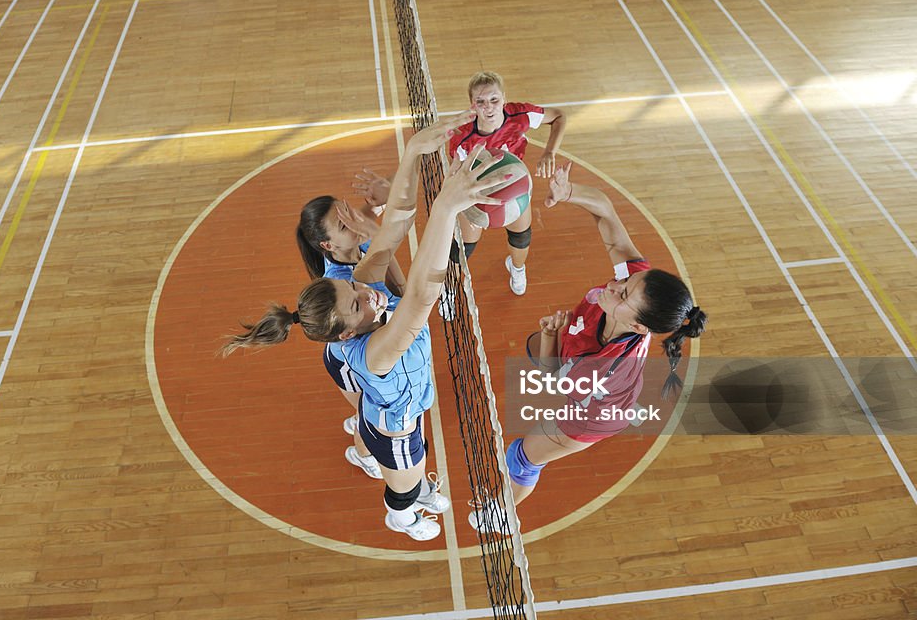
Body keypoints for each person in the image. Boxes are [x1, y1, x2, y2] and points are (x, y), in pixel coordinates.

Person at [223, 113, 511, 540]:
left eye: (356, 287)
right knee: (406, 479)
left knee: (406, 456)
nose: (368, 292)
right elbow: (418, 298)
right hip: (395, 426)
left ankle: (408, 484)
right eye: (357, 302)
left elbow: (393, 229)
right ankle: (402, 514)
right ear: (347, 332)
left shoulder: (359, 286)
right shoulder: (375, 351)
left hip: (394, 409)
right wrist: (447, 209)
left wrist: (413, 152)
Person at [469, 163, 707, 534]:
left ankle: (499, 518)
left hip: (590, 418)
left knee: (521, 458)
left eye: (624, 293)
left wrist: (550, 335)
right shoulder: (633, 292)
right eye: (628, 280)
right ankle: (626, 403)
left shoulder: (601, 364)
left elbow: (548, 376)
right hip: (594, 382)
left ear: (638, 326)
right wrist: (569, 193)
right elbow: (607, 214)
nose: (615, 284)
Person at [295, 182, 404, 480]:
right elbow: (401, 298)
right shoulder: (348, 280)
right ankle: (362, 454)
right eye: (342, 224)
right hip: (346, 361)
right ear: (328, 246)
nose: (352, 220)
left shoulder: (355, 238)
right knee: (368, 417)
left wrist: (382, 202)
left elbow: (367, 219)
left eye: (347, 210)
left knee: (369, 408)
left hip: (365, 346)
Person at [447, 70, 568, 296]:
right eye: (481, 102)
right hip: (477, 192)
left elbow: (559, 116)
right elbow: (456, 175)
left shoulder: (519, 115)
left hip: (514, 189)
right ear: (472, 104)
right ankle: (450, 287)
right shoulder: (462, 137)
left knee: (521, 236)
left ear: (504, 98)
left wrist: (550, 152)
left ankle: (517, 267)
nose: (489, 107)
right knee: (462, 247)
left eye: (494, 100)